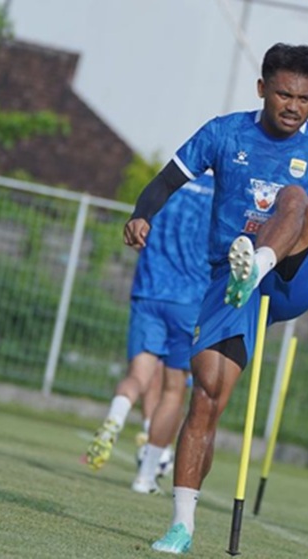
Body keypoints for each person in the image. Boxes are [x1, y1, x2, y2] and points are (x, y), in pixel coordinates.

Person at [124, 43, 308, 554]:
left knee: (294, 198)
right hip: (231, 277)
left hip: (292, 275)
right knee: (207, 399)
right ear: (262, 88)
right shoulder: (224, 133)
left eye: (306, 98)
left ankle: (260, 262)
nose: (294, 106)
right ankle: (181, 525)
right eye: (285, 94)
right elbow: (167, 179)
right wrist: (142, 214)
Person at [84, 173, 214, 495]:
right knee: (173, 390)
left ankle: (116, 417)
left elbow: (138, 232)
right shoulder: (222, 193)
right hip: (190, 300)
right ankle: (144, 476)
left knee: (138, 376)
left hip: (149, 292)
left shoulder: (165, 185)